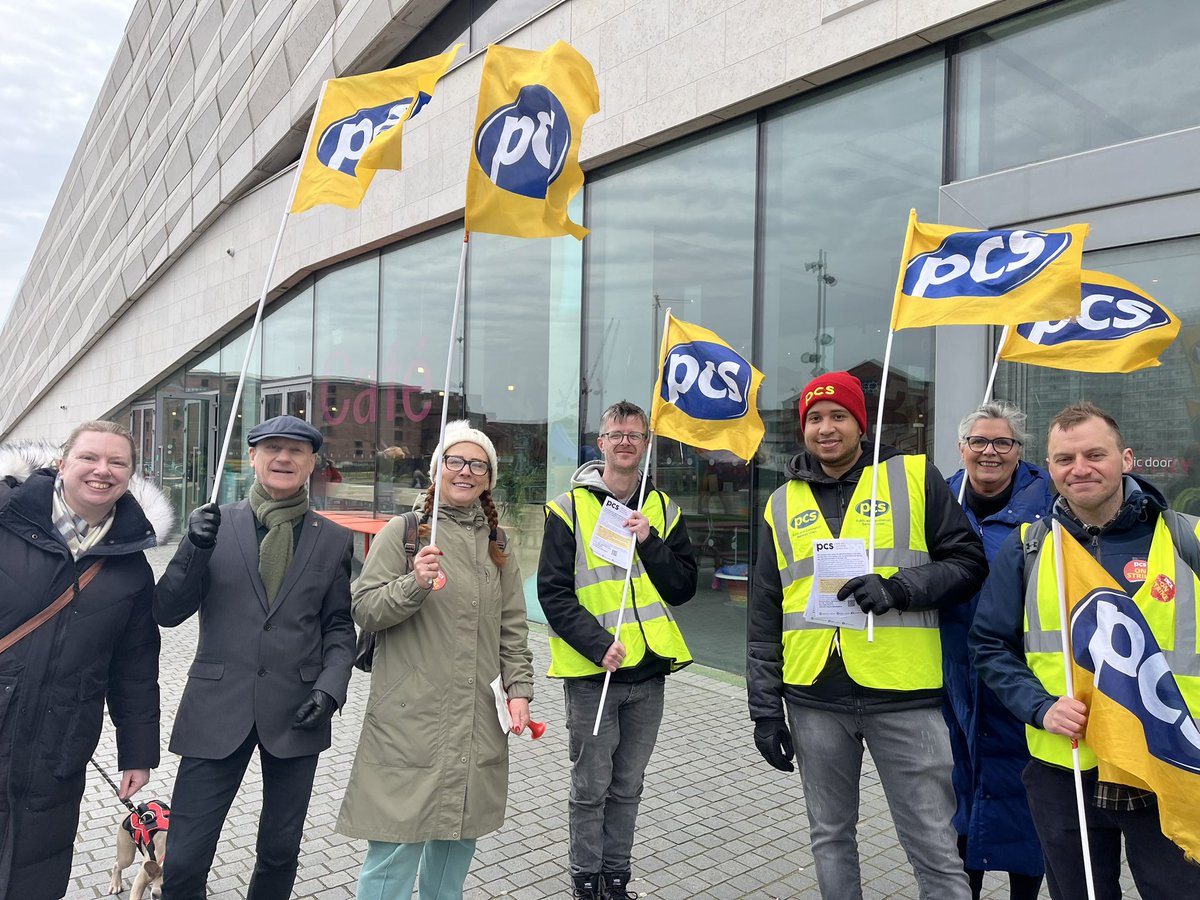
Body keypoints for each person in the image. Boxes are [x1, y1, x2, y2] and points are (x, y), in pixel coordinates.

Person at [748, 371, 987, 900]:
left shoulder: (914, 477)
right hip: (813, 698)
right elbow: (764, 614)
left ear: (862, 425)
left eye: (839, 417)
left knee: (933, 845)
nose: (825, 428)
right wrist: (764, 710)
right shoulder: (779, 503)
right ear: (802, 428)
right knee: (830, 837)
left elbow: (970, 563)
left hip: (904, 697)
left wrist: (900, 588)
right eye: (814, 418)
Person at [971, 401, 1200, 900]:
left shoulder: (1187, 538)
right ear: (1048, 468)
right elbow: (990, 645)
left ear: (1127, 459)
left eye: (1095, 454)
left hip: (1167, 759)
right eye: (1063, 459)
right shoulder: (1030, 547)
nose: (1079, 469)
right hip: (1066, 766)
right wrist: (1040, 707)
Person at [154, 414, 356, 900]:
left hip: (297, 711)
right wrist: (191, 549)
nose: (283, 457)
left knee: (280, 852)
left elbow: (338, 627)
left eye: (296, 450)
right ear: (254, 458)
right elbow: (167, 611)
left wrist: (330, 688)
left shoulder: (333, 539)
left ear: (312, 463)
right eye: (272, 448)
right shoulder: (214, 525)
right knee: (182, 859)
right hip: (216, 708)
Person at [337, 420, 534, 900]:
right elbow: (364, 608)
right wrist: (414, 583)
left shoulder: (498, 544)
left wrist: (520, 692)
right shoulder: (403, 533)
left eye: (477, 464)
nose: (465, 471)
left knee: (456, 841)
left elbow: (512, 627)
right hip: (410, 717)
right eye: (455, 461)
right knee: (395, 848)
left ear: (488, 478)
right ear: (437, 470)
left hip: (477, 718)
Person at [0, 422, 170, 900]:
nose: (103, 470)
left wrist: (138, 752)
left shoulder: (130, 567)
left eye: (118, 462)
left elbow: (135, 667)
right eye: (89, 458)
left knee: (38, 866)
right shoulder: (4, 521)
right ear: (61, 462)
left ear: (130, 475)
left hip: (61, 741)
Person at [538, 400, 697, 900]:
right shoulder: (569, 508)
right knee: (590, 788)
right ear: (601, 443)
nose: (625, 440)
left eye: (635, 433)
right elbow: (553, 593)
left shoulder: (664, 509)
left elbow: (683, 587)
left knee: (628, 786)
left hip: (648, 674)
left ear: (646, 444)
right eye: (616, 433)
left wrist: (650, 541)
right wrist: (597, 644)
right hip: (594, 674)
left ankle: (616, 878)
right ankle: (586, 880)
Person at [943, 401, 1051, 899]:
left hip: (1022, 681)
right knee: (958, 798)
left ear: (1019, 452)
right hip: (951, 681)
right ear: (961, 448)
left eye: (1002, 442)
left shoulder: (1051, 504)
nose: (990, 452)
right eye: (979, 442)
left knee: (1027, 802)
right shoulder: (937, 502)